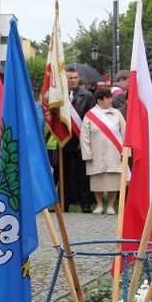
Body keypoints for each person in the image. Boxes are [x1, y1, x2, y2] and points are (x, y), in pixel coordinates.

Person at [80, 88, 125, 215]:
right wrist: (87, 154)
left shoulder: (117, 114)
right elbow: (84, 137)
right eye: (108, 98)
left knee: (113, 179)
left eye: (111, 98)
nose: (111, 100)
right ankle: (99, 205)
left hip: (115, 152)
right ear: (99, 101)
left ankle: (111, 205)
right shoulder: (90, 115)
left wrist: (125, 153)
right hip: (96, 152)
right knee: (97, 180)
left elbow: (124, 133)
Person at [63, 67, 96, 213]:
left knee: (83, 173)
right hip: (63, 139)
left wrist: (85, 139)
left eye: (75, 78)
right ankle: (65, 201)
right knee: (64, 172)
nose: (73, 81)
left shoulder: (87, 96)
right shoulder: (60, 96)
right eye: (70, 78)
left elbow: (91, 119)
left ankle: (85, 202)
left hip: (81, 140)